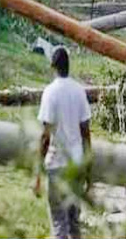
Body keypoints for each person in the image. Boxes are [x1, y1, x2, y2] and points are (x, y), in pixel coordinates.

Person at [34, 47, 92, 239]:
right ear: (68, 66)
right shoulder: (79, 91)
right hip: (75, 165)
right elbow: (86, 134)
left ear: (53, 66)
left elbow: (45, 136)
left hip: (56, 165)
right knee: (74, 223)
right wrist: (88, 168)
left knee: (59, 224)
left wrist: (38, 171)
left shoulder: (50, 93)